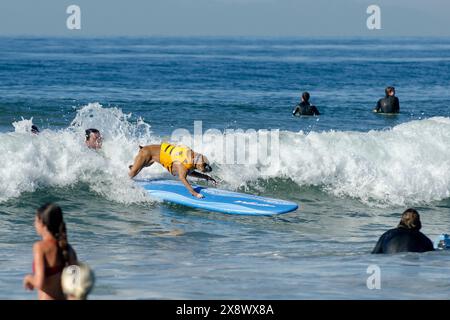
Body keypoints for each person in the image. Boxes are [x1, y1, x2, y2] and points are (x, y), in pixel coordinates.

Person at [23, 203, 78, 300]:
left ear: (42, 223)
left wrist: (28, 278)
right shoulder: (69, 250)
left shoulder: (40, 247)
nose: (34, 224)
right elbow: (74, 290)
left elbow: (40, 282)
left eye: (36, 220)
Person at [128, 143, 216, 198]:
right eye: (204, 165)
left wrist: (206, 177)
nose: (206, 167)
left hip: (150, 153)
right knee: (132, 174)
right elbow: (182, 177)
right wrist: (194, 192)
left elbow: (190, 172)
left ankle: (136, 166)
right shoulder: (183, 163)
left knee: (144, 165)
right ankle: (126, 180)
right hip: (147, 152)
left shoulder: (191, 161)